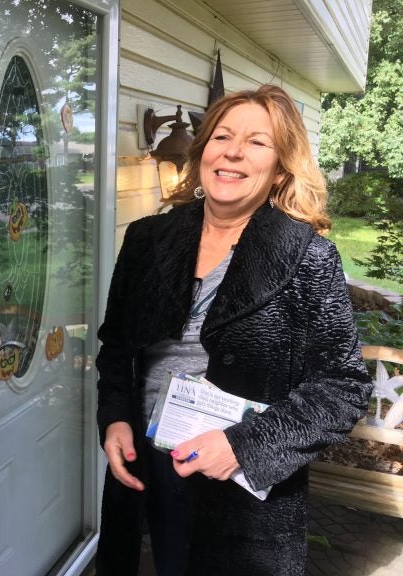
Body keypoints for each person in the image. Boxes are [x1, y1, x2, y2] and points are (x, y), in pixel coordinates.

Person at [94, 84, 373, 576]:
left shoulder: (307, 257)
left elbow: (342, 388)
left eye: (257, 142)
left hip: (244, 484)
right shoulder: (146, 240)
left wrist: (243, 446)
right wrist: (115, 418)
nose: (234, 151)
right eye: (222, 136)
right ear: (203, 153)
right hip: (152, 461)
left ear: (281, 166)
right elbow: (116, 346)